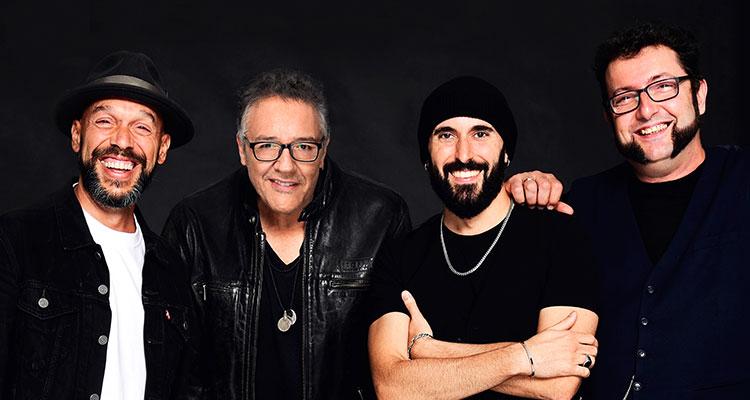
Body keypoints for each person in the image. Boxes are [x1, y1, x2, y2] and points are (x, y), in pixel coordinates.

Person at [507, 22, 750, 398]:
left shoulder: (742, 180)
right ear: (609, 116)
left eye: (663, 86)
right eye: (624, 97)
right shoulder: (582, 203)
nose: (646, 110)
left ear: (699, 94)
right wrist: (514, 197)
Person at [161, 69, 411, 399]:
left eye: (303, 146)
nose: (285, 166)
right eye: (267, 146)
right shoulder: (195, 224)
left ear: (323, 151)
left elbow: (399, 360)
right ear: (242, 149)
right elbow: (177, 374)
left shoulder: (379, 218)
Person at [366, 76, 599, 399]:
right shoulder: (400, 256)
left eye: (481, 133)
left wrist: (429, 350)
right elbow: (392, 387)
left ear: (506, 153)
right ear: (426, 158)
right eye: (446, 135)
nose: (464, 154)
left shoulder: (561, 237)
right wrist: (525, 356)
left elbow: (557, 387)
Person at [0, 51, 199, 399]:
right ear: (77, 135)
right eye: (105, 121)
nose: (122, 141)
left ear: (162, 148)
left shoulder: (171, 271)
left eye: (142, 127)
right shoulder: (14, 242)